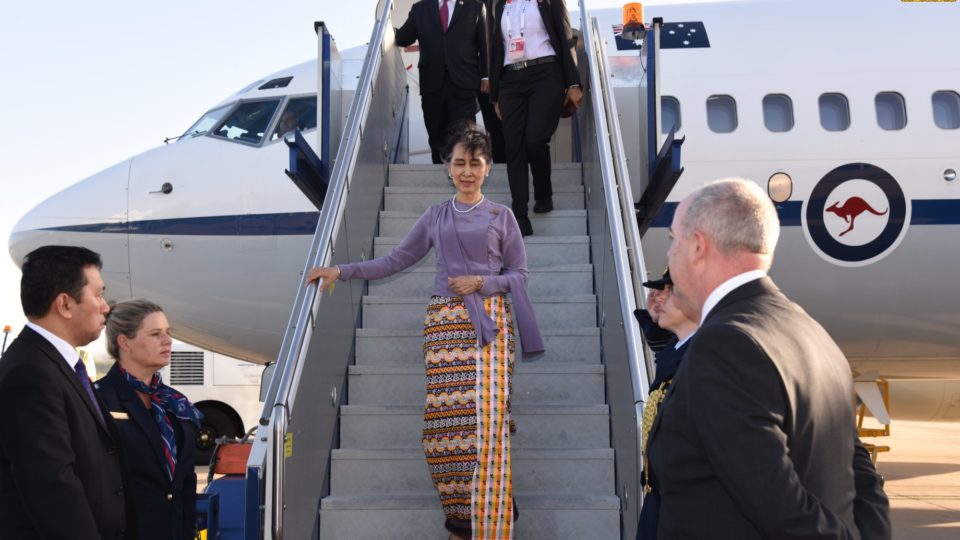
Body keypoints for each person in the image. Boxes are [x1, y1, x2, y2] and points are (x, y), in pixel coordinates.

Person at [307, 123, 544, 539]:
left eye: (475, 163)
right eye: (459, 163)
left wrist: (481, 283)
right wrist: (341, 271)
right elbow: (394, 261)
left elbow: (519, 274)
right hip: (444, 326)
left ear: (488, 168)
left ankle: (493, 515)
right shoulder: (436, 216)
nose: (467, 171)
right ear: (447, 167)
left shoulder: (501, 216)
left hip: (488, 326)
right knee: (443, 430)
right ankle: (460, 520)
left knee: (487, 424)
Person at [647, 178, 890, 538]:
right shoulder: (809, 330)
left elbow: (779, 507)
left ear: (698, 246)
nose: (669, 255)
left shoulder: (725, 345)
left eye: (673, 241)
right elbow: (860, 475)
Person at [0, 245, 131, 539]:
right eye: (97, 294)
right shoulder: (30, 373)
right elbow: (51, 485)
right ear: (65, 305)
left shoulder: (58, 365)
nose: (106, 306)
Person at [95, 299, 202, 540]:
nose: (168, 340)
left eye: (168, 332)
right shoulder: (98, 400)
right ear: (124, 342)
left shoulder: (176, 404)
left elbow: (185, 481)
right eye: (155, 334)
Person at [489, 0, 583, 236]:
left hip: (546, 73)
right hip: (510, 78)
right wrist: (495, 95)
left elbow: (564, 38)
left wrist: (573, 82)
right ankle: (519, 214)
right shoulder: (498, 4)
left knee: (534, 138)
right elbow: (496, 47)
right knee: (514, 147)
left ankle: (543, 194)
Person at [635, 268, 697, 540]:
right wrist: (656, 316)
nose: (655, 295)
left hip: (688, 505)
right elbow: (667, 350)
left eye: (666, 289)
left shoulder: (709, 354)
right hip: (660, 496)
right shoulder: (677, 347)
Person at [396, 0, 490, 164]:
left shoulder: (474, 6)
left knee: (464, 136)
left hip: (464, 83)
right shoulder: (420, 9)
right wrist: (385, 30)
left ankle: (464, 180)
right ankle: (440, 179)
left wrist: (486, 76)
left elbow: (484, 44)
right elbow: (404, 38)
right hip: (432, 84)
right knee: (436, 137)